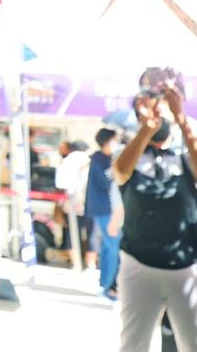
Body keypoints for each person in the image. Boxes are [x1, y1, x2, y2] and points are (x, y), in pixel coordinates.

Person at [113, 74, 197, 352]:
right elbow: (121, 171)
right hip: (138, 262)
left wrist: (180, 116)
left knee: (196, 344)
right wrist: (146, 129)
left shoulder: (183, 155)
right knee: (134, 344)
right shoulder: (131, 155)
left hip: (186, 265)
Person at [86, 128, 123, 299]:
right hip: (105, 209)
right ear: (107, 141)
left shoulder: (105, 159)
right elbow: (109, 181)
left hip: (109, 209)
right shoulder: (99, 160)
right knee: (112, 246)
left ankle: (106, 284)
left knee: (109, 247)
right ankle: (108, 286)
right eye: (115, 140)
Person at [55, 139, 91, 263]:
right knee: (89, 232)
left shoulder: (66, 161)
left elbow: (59, 183)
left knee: (71, 232)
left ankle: (75, 261)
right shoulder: (88, 160)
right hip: (87, 202)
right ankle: (87, 261)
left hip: (69, 201)